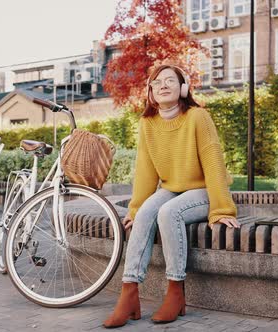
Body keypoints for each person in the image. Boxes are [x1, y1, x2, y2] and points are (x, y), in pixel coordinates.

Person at [103, 64, 240, 328]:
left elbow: (214, 162)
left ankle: (176, 291)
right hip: (172, 188)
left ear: (183, 88)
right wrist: (134, 210)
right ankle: (129, 292)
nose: (163, 85)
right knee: (144, 213)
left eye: (170, 81)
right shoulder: (147, 123)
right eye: (157, 82)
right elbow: (145, 169)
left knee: (169, 212)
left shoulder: (198, 117)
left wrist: (222, 209)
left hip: (203, 190)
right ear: (151, 91)